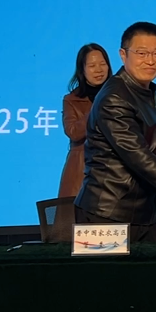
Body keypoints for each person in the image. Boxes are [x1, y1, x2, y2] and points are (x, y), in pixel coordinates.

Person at [74, 22, 156, 241]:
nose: (150, 60)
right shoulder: (114, 97)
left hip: (144, 214)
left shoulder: (144, 90)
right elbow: (137, 156)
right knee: (102, 266)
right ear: (123, 54)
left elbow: (134, 145)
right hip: (106, 214)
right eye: (142, 53)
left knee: (147, 265)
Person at [58, 43, 112, 199]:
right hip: (81, 173)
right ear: (82, 70)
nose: (99, 70)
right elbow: (73, 132)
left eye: (103, 64)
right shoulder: (72, 100)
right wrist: (98, 107)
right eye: (92, 66)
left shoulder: (120, 95)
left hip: (113, 172)